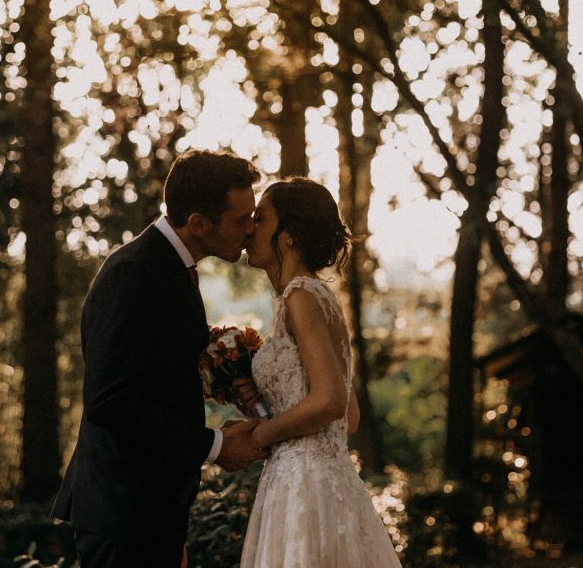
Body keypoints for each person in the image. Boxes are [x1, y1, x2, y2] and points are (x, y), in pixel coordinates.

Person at [51, 150, 269, 567]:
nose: (249, 229)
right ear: (199, 224)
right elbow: (110, 401)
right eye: (242, 219)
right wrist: (215, 444)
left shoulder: (170, 267)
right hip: (123, 513)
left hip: (149, 510)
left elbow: (154, 378)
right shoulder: (133, 274)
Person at [235, 177, 401, 567]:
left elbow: (330, 401)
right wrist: (262, 406)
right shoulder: (321, 298)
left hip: (303, 487)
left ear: (289, 235)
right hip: (329, 483)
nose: (248, 231)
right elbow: (351, 416)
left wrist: (261, 434)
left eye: (260, 220)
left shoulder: (301, 296)